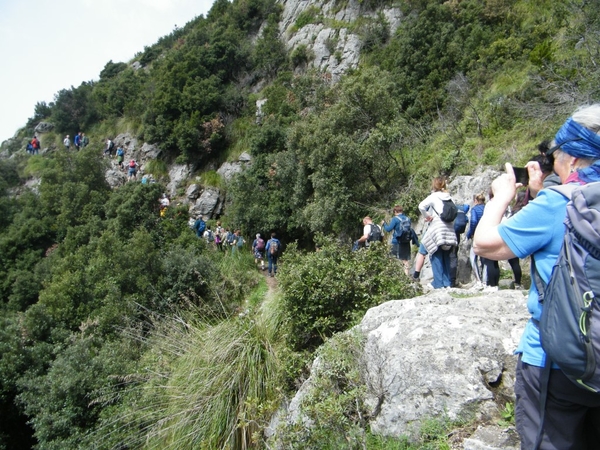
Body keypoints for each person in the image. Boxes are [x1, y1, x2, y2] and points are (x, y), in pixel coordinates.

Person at [473, 104, 600, 449]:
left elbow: (485, 244)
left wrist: (502, 197)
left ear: (573, 160)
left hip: (555, 365)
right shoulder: (558, 201)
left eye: (557, 154)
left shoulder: (555, 204)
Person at [417, 177, 457, 289]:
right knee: (446, 256)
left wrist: (428, 217)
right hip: (449, 229)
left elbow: (421, 206)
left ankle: (438, 284)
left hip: (437, 228)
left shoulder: (434, 196)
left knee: (435, 254)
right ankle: (447, 283)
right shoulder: (449, 197)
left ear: (434, 185)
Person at [382, 205, 417, 276]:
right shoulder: (408, 219)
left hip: (396, 241)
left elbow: (388, 229)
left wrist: (384, 224)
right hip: (406, 242)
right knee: (405, 259)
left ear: (395, 211)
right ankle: (407, 276)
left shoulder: (395, 219)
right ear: (402, 211)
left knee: (391, 257)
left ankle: (390, 275)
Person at [466, 193, 485, 285]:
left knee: (473, 257)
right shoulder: (487, 208)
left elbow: (473, 221)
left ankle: (478, 280)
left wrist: (470, 233)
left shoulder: (474, 209)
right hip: (487, 234)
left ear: (475, 201)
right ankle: (485, 281)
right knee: (485, 258)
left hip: (477, 235)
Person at [449, 203, 470, 287]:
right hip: (456, 236)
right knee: (454, 256)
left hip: (448, 234)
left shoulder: (449, 208)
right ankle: (453, 280)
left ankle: (448, 281)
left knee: (448, 257)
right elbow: (467, 220)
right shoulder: (459, 209)